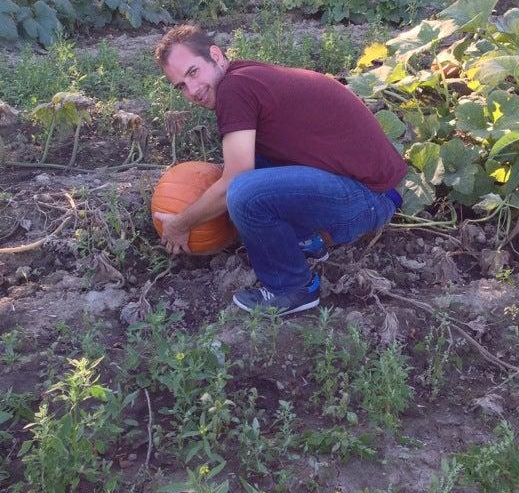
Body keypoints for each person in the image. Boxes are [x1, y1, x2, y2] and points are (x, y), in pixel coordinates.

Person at [153, 23, 407, 315]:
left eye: (193, 72)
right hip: (371, 190)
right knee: (251, 162)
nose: (193, 90)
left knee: (243, 191)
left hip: (370, 198)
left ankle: (292, 288)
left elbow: (236, 180)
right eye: (181, 86)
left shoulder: (235, 88)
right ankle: (306, 241)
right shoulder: (244, 77)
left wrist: (181, 223)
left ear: (215, 55)